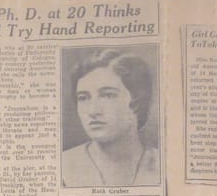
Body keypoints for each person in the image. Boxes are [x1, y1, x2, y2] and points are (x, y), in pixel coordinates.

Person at [61, 49, 160, 188]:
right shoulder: (62, 165)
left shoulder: (165, 165)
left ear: (137, 101)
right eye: (83, 98)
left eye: (108, 95)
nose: (93, 111)